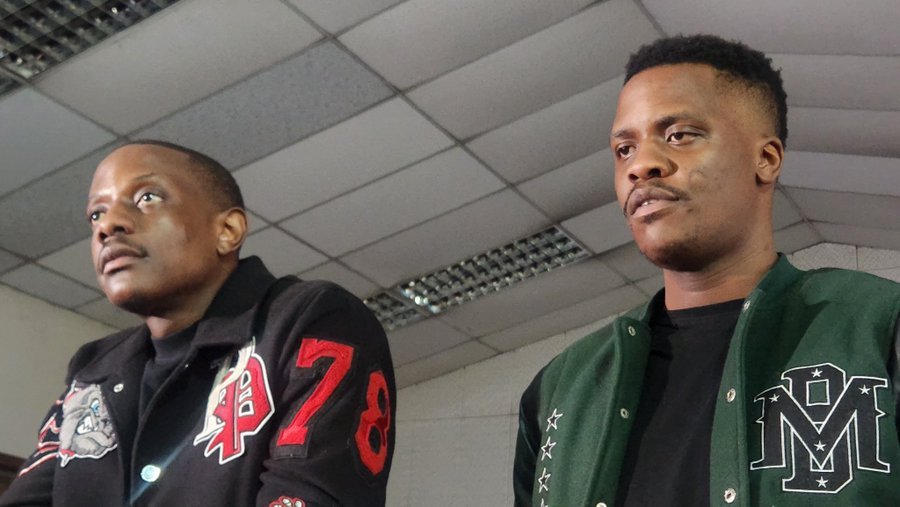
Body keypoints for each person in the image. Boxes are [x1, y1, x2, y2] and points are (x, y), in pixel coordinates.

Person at [513, 34, 900, 507]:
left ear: (766, 159)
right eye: (624, 149)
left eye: (679, 135)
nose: (641, 165)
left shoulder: (878, 327)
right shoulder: (561, 389)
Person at [0, 141, 395, 507]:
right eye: (96, 214)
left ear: (227, 231)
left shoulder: (310, 319)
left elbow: (312, 494)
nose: (107, 226)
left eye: (147, 197)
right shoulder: (93, 371)